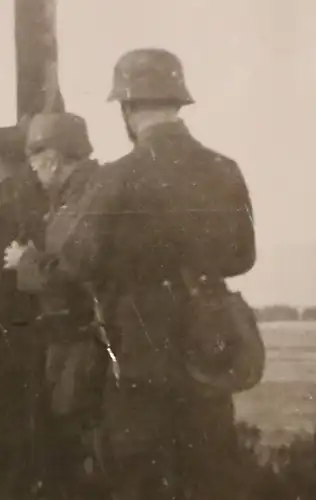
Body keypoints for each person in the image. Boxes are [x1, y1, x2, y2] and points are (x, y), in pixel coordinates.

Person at [34, 48, 263, 500]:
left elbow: (79, 260)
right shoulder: (224, 169)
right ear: (178, 103)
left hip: (140, 364)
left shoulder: (119, 178)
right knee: (212, 479)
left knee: (140, 482)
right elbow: (242, 257)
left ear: (128, 108)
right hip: (209, 355)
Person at [4, 112, 110, 500]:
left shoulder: (86, 198)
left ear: (52, 157)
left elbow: (75, 273)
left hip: (82, 348)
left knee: (72, 454)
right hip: (76, 349)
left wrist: (26, 263)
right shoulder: (79, 194)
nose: (33, 169)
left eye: (35, 159)